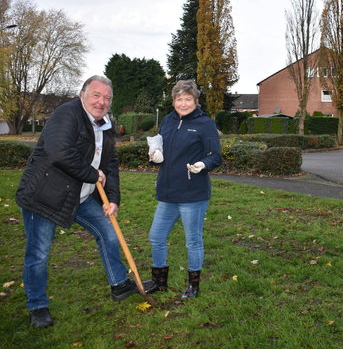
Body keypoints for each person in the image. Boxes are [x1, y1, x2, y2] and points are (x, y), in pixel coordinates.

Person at [16, 75, 152, 328]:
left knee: (108, 231)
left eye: (107, 98)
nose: (102, 102)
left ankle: (119, 284)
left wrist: (113, 199)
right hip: (45, 195)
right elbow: (59, 152)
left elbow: (110, 164)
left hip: (81, 195)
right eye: (96, 95)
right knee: (38, 253)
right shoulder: (66, 114)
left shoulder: (106, 124)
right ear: (82, 95)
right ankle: (38, 306)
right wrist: (93, 174)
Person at [146, 80, 221, 299]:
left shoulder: (204, 124)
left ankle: (193, 287)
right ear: (173, 101)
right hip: (167, 193)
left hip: (192, 194)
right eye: (179, 99)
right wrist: (155, 156)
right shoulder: (168, 121)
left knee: (193, 241)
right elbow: (158, 146)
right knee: (156, 237)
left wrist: (203, 165)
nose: (183, 103)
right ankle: (160, 282)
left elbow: (215, 156)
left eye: (188, 99)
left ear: (195, 101)